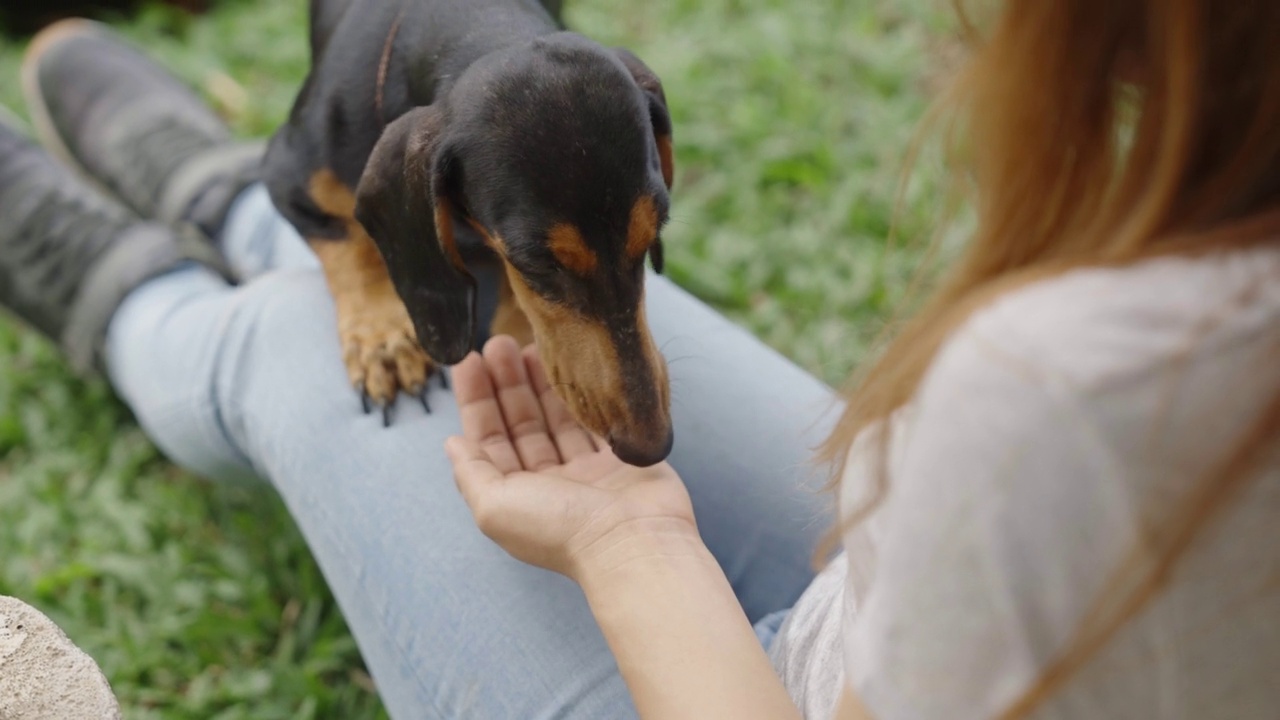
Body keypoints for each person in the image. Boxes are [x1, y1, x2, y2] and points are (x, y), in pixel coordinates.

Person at [3, 1, 1279, 718]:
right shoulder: (1160, 336)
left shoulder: (1089, 384)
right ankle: (264, 196)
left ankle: (140, 296)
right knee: (341, 248)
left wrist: (629, 543)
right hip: (900, 605)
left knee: (282, 349)